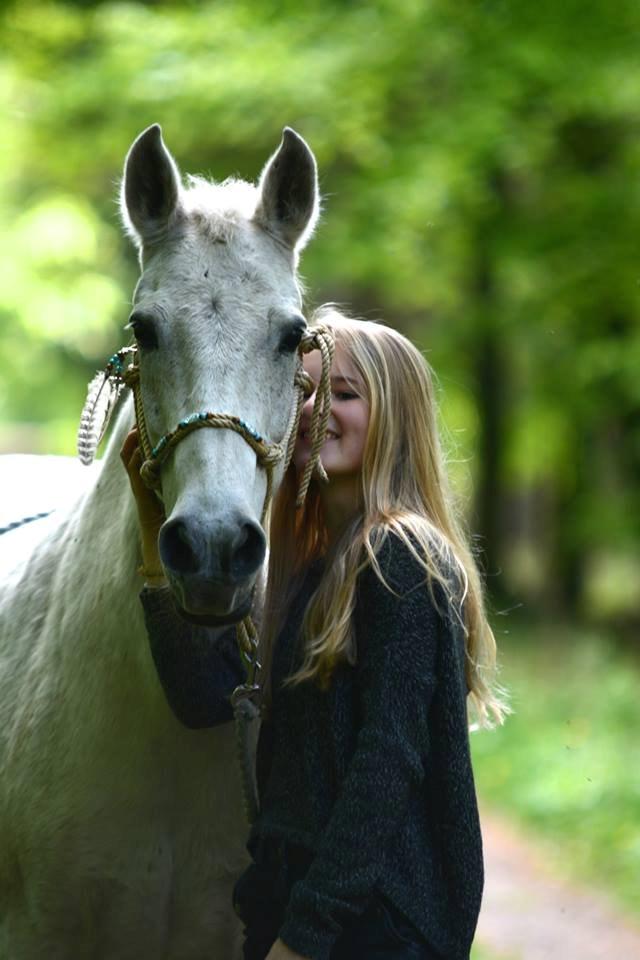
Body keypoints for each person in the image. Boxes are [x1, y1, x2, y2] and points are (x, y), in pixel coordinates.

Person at [121, 307, 507, 960]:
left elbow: (385, 766)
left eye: (344, 393)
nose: (314, 407)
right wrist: (149, 516)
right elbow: (203, 699)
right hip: (303, 909)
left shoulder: (401, 554)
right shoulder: (308, 569)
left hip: (373, 929)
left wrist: (305, 935)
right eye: (301, 392)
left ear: (398, 416)